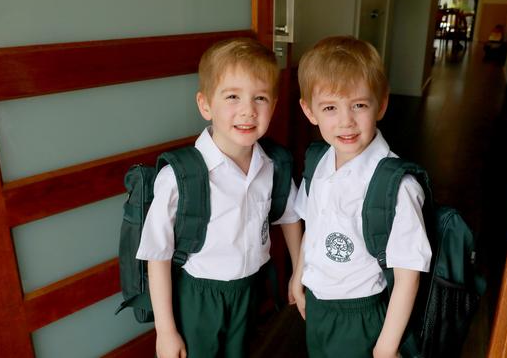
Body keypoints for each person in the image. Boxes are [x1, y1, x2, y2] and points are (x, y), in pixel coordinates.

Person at [136, 37, 302, 358]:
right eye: (232, 97)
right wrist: (166, 332)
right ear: (205, 105)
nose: (247, 111)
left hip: (247, 289)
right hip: (199, 294)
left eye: (260, 98)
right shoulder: (181, 177)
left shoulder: (272, 165)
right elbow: (157, 256)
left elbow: (290, 216)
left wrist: (298, 271)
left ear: (274, 106)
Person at [291, 36, 432, 358]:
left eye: (359, 105)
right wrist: (299, 276)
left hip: (362, 313)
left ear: (381, 104)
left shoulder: (395, 185)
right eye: (330, 107)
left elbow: (409, 274)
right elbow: (312, 226)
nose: (346, 121)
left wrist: (386, 346)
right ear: (309, 111)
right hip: (318, 302)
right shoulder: (319, 161)